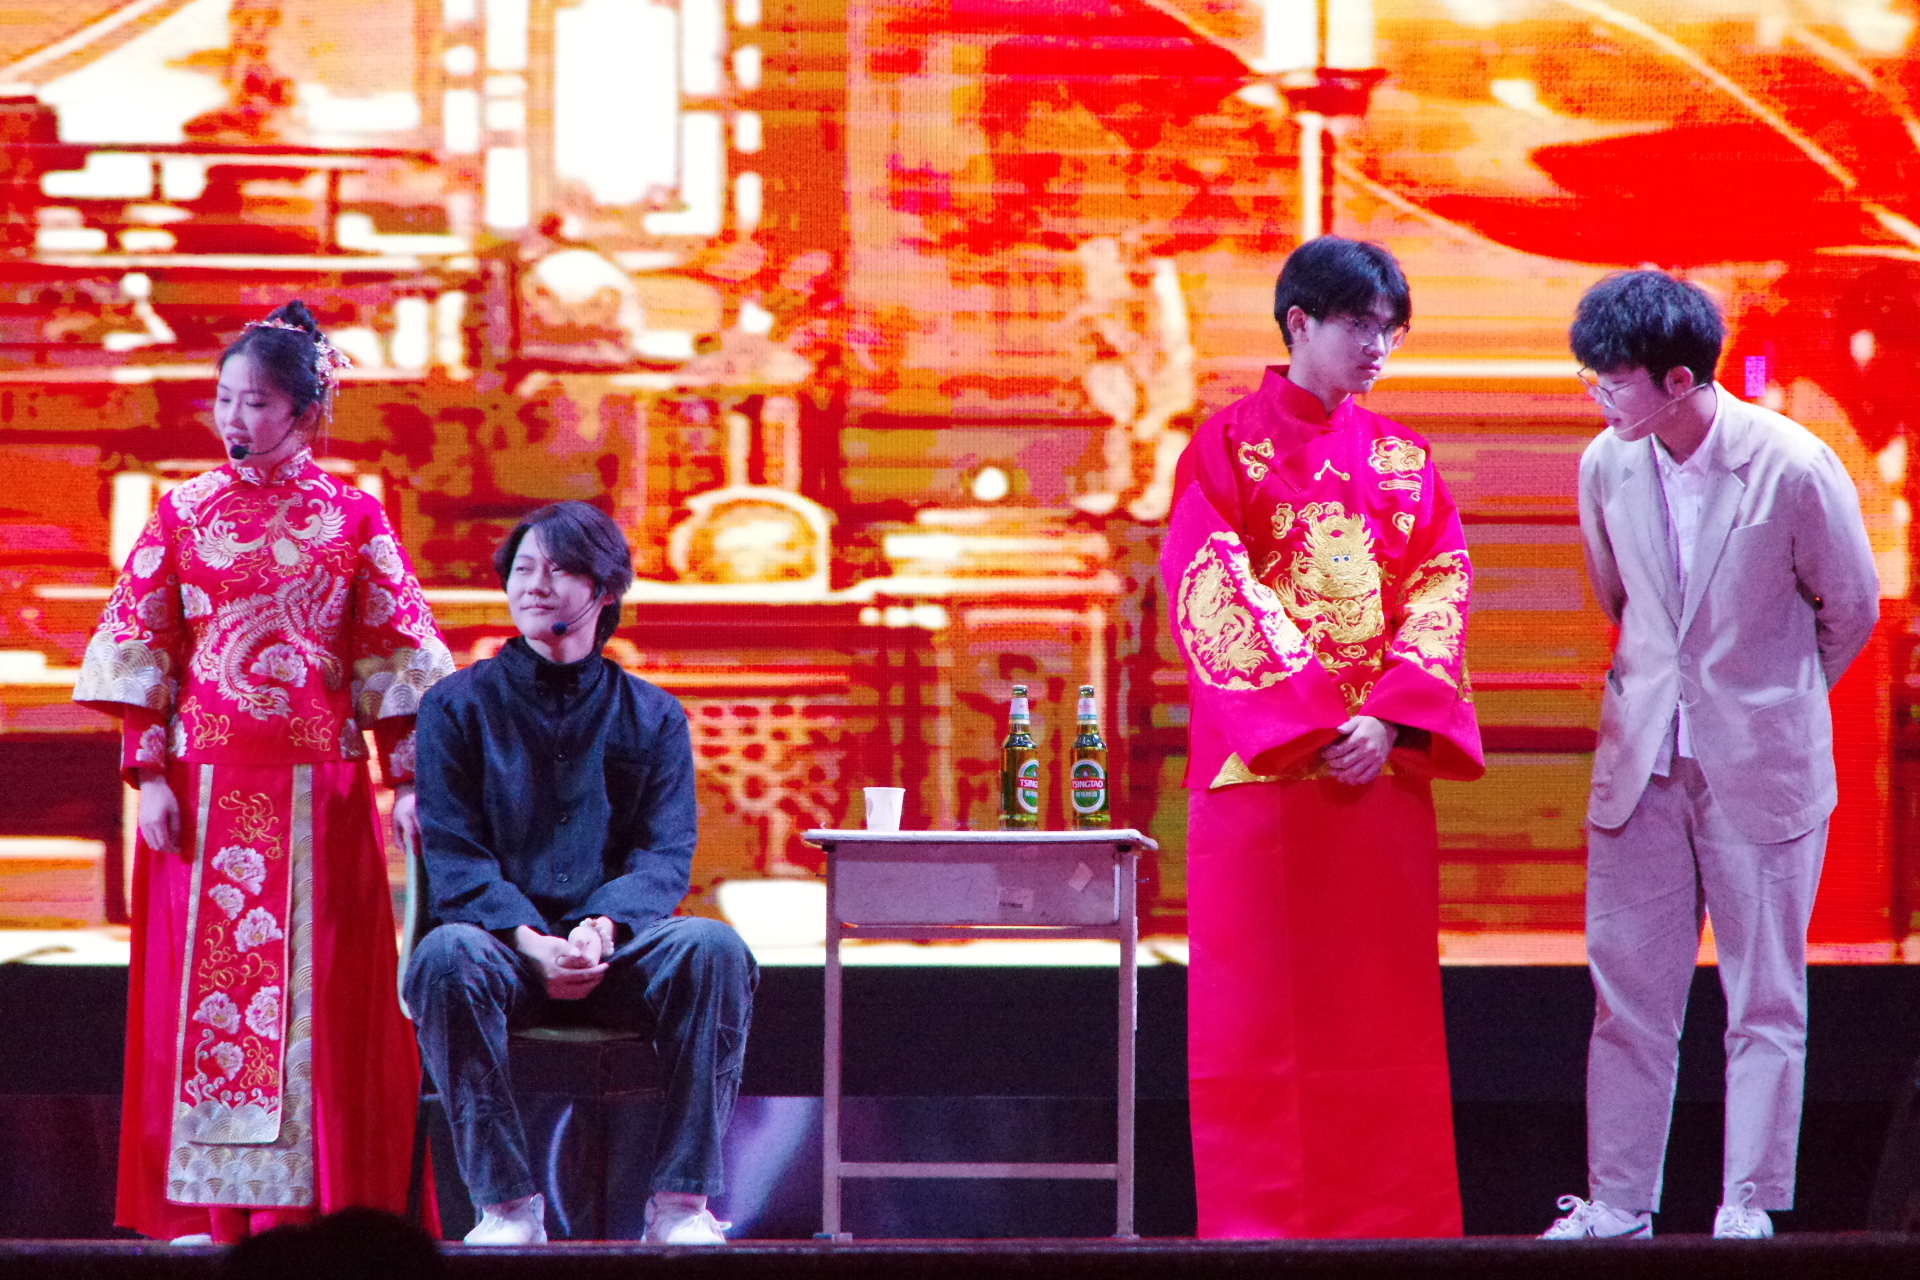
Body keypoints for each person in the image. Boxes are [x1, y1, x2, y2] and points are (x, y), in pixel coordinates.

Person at [73, 300, 454, 1244]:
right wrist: (147, 773)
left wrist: (407, 779)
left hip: (319, 789)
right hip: (202, 789)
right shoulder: (183, 511)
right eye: (224, 399)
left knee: (317, 1005)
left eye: (255, 402)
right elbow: (142, 642)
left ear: (303, 412)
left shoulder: (353, 516)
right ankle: (213, 1210)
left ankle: (312, 1210)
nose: (235, 419)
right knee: (203, 1004)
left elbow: (396, 657)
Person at [1543, 272, 1879, 1241]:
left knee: (1763, 998)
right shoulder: (1605, 463)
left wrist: (1771, 698)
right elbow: (1621, 600)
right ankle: (1617, 1204)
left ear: (1680, 380)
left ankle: (1748, 1202)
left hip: (1762, 769)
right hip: (1641, 763)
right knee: (1627, 1001)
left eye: (1613, 381)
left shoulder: (1793, 463)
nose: (1599, 397)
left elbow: (1851, 607)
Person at [1161, 236, 1484, 1238]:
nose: (1377, 346)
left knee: (1380, 1016)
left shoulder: (1406, 460)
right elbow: (1211, 582)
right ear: (1299, 322)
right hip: (1265, 779)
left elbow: (1441, 584)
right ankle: (1260, 1236)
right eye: (1358, 324)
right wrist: (1310, 720)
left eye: (1391, 329)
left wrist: (1388, 716)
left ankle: (1395, 1230)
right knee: (1259, 1020)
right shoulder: (1225, 447)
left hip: (1375, 779)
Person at [404, 501, 756, 1246]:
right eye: (523, 568)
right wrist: (528, 938)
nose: (535, 584)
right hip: (503, 952)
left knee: (713, 948)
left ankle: (681, 1202)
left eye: (559, 569)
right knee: (443, 956)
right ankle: (507, 1206)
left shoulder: (653, 716)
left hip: (617, 951)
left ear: (604, 589)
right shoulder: (455, 707)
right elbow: (455, 855)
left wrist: (602, 927)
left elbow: (664, 855)